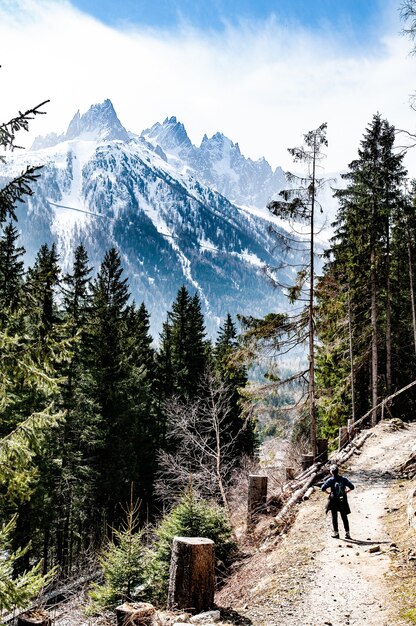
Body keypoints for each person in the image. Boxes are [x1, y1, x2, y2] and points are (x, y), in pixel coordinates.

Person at [321, 464, 354, 539]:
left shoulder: (330, 480)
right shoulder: (344, 479)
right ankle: (347, 533)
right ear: (338, 471)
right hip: (342, 500)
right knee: (344, 516)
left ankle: (336, 533)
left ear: (331, 472)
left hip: (333, 500)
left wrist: (328, 493)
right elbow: (352, 487)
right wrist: (347, 491)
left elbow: (322, 488)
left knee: (334, 517)